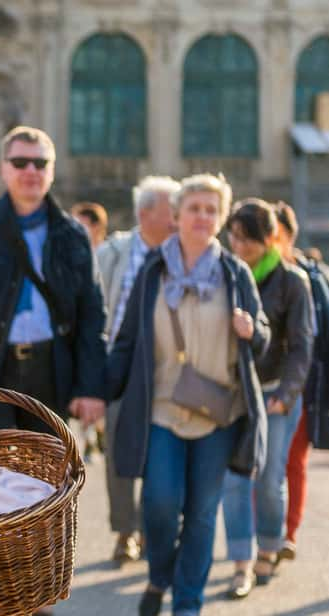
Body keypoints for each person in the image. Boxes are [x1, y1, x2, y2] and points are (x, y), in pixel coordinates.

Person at [106, 173, 270, 616]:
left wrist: (252, 333)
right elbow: (124, 340)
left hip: (219, 412)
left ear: (220, 219)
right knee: (159, 504)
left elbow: (263, 337)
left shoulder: (235, 273)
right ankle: (161, 573)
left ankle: (187, 605)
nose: (202, 216)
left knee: (200, 515)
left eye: (211, 210)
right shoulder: (152, 271)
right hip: (161, 408)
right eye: (194, 208)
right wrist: (97, 391)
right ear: (177, 216)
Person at [0, 126, 106, 436]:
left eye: (40, 163)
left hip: (51, 372)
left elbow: (91, 314)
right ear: (4, 169)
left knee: (47, 479)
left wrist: (91, 387)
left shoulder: (73, 234)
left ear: (52, 171)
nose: (31, 170)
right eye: (20, 162)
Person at [221, 199, 312, 599]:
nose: (239, 246)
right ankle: (241, 560)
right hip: (234, 393)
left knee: (270, 478)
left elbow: (301, 346)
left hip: (275, 393)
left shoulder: (292, 281)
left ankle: (270, 545)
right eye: (234, 237)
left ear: (268, 238)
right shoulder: (226, 274)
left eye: (247, 239)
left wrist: (288, 394)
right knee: (235, 481)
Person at [96, 175, 180, 564]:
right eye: (171, 211)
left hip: (163, 371)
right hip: (117, 367)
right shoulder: (113, 252)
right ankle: (124, 530)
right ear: (145, 213)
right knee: (118, 454)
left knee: (158, 452)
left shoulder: (183, 255)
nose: (178, 219)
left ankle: (151, 529)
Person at [273, 202, 325, 563]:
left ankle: (287, 534)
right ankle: (266, 534)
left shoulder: (313, 278)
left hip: (303, 384)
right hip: (261, 384)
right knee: (263, 465)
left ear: (289, 236)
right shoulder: (245, 274)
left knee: (293, 461)